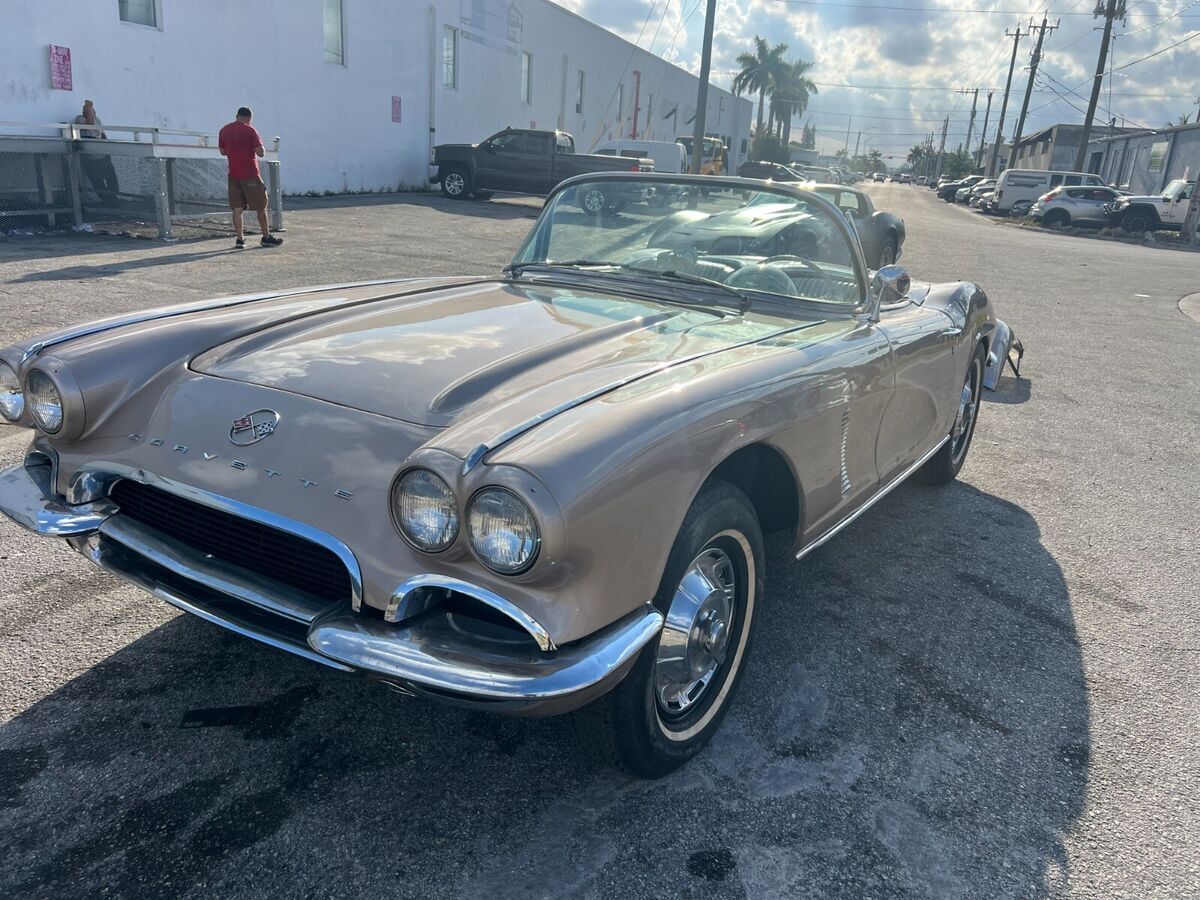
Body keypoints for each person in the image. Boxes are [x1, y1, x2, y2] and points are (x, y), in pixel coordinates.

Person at [218, 106, 282, 248]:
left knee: (237, 209)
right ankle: (266, 237)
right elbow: (260, 153)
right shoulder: (250, 130)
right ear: (249, 118)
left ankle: (240, 240)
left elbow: (222, 151)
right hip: (250, 175)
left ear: (237, 115)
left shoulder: (224, 130)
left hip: (233, 175)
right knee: (261, 206)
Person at [73, 100, 120, 207]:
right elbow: (90, 122)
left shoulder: (97, 120)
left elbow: (102, 134)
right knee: (97, 181)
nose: (92, 113)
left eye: (93, 111)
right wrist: (88, 107)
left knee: (111, 177)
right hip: (90, 158)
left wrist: (107, 149)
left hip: (103, 154)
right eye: (89, 111)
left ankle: (114, 197)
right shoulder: (80, 119)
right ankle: (106, 200)